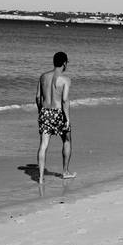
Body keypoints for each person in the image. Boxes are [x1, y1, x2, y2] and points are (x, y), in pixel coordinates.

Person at [36, 51, 76, 184]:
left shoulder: (43, 77)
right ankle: (65, 172)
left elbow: (37, 97)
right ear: (64, 63)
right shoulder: (65, 79)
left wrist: (40, 112)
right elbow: (64, 100)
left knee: (43, 145)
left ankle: (41, 178)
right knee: (67, 140)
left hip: (45, 111)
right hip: (59, 113)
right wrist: (68, 118)